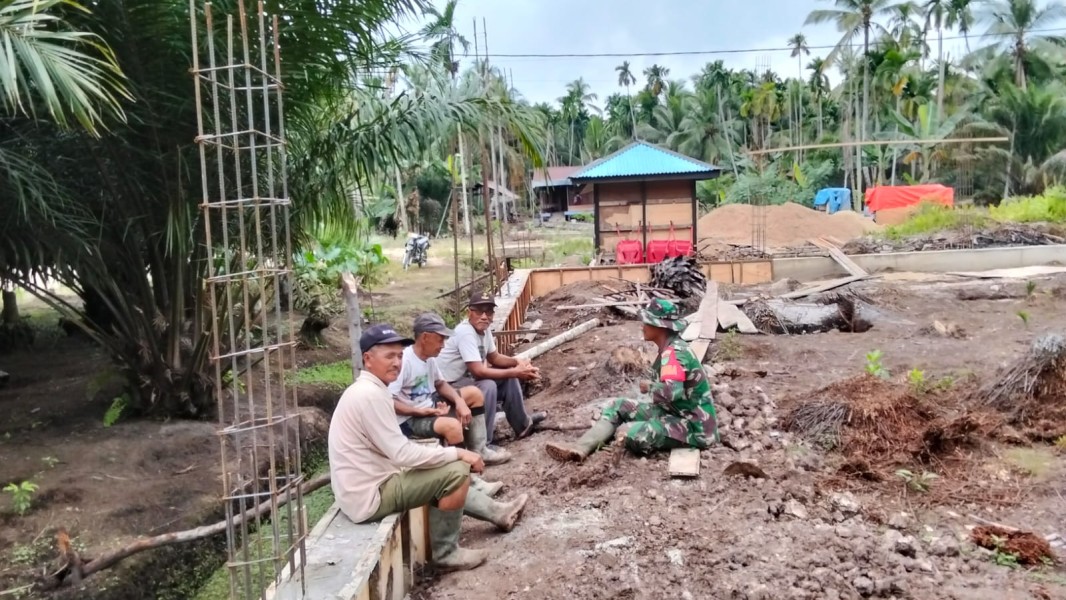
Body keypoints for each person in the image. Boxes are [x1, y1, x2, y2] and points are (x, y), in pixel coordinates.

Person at [328, 324, 528, 572]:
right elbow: (402, 453)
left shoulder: (370, 390)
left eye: (400, 356)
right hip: (370, 495)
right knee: (454, 471)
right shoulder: (369, 395)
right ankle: (446, 554)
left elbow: (395, 449)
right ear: (368, 359)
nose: (397, 363)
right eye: (389, 356)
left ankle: (498, 512)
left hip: (369, 484)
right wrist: (459, 452)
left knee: (445, 467)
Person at [545, 298, 718, 462]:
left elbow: (673, 392)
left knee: (628, 433)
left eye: (647, 322)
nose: (643, 327)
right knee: (618, 406)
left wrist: (650, 387)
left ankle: (607, 447)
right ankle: (579, 448)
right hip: (673, 413)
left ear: (660, 327)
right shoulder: (671, 349)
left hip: (694, 427)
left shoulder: (673, 354)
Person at [389, 312, 513, 469]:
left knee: (474, 394)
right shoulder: (404, 362)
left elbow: (440, 383)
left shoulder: (429, 358)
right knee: (452, 426)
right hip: (409, 420)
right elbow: (389, 401)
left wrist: (459, 401)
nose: (443, 345)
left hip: (429, 405)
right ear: (425, 337)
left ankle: (479, 450)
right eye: (440, 339)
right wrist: (421, 412)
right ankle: (465, 473)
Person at [436, 291, 547, 445]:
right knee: (487, 386)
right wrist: (515, 371)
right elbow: (478, 371)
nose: (484, 316)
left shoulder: (484, 330)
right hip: (448, 387)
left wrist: (518, 363)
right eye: (479, 311)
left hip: (465, 380)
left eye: (488, 312)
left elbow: (494, 357)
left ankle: (523, 425)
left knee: (508, 378)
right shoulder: (465, 333)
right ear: (469, 312)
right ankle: (482, 443)